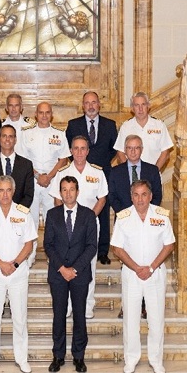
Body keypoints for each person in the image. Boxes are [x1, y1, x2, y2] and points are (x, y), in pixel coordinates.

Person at [111, 180, 175, 373]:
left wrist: (151, 267)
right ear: (131, 197)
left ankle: (156, 360)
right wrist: (137, 268)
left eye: (144, 194)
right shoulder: (123, 217)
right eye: (136, 195)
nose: (140, 199)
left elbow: (169, 245)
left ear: (151, 196)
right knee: (131, 318)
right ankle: (131, 359)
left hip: (155, 274)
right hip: (132, 274)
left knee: (156, 318)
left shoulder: (162, 217)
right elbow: (117, 248)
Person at [0, 175, 38, 373]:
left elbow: (29, 244)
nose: (5, 194)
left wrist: (15, 263)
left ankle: (21, 358)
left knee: (20, 318)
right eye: (1, 190)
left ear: (13, 191)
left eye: (8, 190)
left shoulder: (23, 214)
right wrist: (1, 264)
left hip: (18, 274)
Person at [48, 136, 108, 319]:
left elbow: (102, 198)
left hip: (88, 225)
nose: (80, 152)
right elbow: (57, 199)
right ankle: (66, 306)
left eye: (83, 148)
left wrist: (88, 219)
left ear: (88, 151)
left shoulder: (97, 172)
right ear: (71, 151)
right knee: (65, 263)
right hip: (64, 225)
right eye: (76, 148)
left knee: (88, 264)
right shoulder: (63, 171)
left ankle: (87, 304)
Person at [43, 176, 98, 373]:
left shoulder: (88, 215)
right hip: (58, 274)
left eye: (72, 189)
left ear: (78, 191)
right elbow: (47, 245)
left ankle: (79, 356)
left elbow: (92, 246)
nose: (68, 193)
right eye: (64, 190)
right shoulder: (52, 214)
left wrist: (74, 269)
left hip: (80, 274)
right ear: (60, 193)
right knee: (58, 316)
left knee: (79, 316)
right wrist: (62, 268)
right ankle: (58, 356)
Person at [108, 134, 163, 319]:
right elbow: (112, 197)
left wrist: (145, 214)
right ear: (124, 150)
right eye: (129, 148)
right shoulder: (115, 172)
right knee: (127, 267)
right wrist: (128, 216)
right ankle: (128, 305)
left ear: (141, 149)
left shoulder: (152, 170)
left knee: (146, 261)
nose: (133, 151)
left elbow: (157, 196)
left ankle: (146, 305)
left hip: (149, 223)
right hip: (125, 223)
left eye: (136, 148)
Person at [65, 91, 118, 265]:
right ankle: (75, 246)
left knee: (102, 212)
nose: (91, 106)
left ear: (99, 105)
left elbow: (113, 149)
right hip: (78, 173)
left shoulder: (110, 125)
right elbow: (68, 149)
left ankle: (102, 250)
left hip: (103, 173)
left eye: (94, 102)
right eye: (87, 103)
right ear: (83, 105)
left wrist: (100, 166)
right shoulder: (73, 125)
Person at [0, 124, 35, 266]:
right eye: (4, 136)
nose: (7, 139)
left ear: (15, 139)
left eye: (11, 136)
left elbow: (28, 194)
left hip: (19, 221)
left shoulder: (26, 164)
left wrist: (15, 213)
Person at [18, 102, 70, 237]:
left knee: (52, 219)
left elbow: (63, 159)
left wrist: (49, 177)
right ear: (36, 114)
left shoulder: (59, 134)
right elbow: (23, 160)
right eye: (41, 112)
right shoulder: (26, 133)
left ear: (52, 115)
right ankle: (30, 255)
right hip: (31, 182)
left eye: (47, 112)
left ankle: (51, 256)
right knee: (31, 219)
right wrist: (38, 176)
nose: (44, 115)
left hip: (51, 182)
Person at [113, 92, 173, 170]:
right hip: (132, 177)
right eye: (137, 105)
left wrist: (153, 172)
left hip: (153, 176)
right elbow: (120, 153)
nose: (140, 109)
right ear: (132, 108)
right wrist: (130, 171)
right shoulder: (126, 126)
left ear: (148, 106)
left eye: (143, 104)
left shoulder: (159, 125)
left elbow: (165, 153)